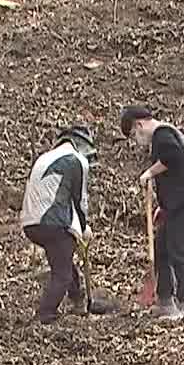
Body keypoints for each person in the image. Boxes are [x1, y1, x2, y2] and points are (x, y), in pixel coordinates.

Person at [119, 105, 184, 323]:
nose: (136, 141)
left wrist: (148, 173)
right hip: (179, 204)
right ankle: (165, 301)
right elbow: (174, 177)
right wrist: (163, 207)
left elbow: (173, 157)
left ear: (140, 124)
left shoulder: (163, 134)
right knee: (162, 247)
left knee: (179, 251)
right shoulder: (161, 138)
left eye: (134, 135)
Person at [19, 124, 111, 323]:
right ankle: (46, 313)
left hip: (30, 222)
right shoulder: (76, 160)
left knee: (64, 262)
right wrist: (84, 227)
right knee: (62, 274)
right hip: (53, 222)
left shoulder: (45, 157)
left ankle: (79, 300)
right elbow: (80, 199)